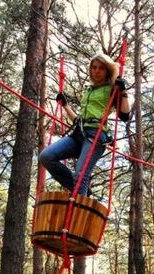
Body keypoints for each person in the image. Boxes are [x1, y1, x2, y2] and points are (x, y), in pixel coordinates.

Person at [38, 53, 131, 197]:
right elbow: (78, 120)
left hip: (95, 135)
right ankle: (82, 191)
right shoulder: (89, 90)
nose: (96, 71)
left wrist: (123, 90)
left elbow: (125, 115)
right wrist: (65, 105)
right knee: (46, 156)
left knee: (80, 175)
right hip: (78, 133)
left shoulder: (112, 89)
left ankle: (79, 205)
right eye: (94, 67)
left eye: (101, 68)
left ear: (108, 70)